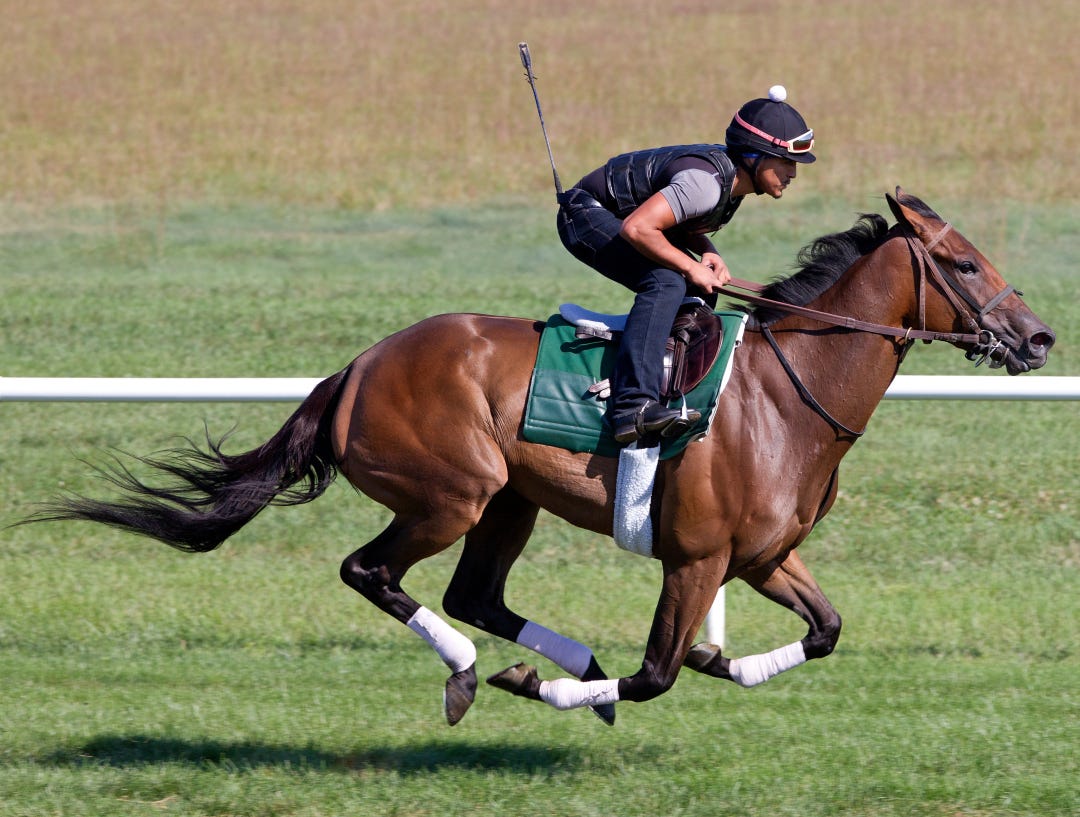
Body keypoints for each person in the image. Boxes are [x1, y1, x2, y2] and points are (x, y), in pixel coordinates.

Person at [557, 85, 816, 444]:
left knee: (696, 285)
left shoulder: (730, 183)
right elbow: (637, 228)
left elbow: (678, 220)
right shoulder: (706, 185)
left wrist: (708, 251)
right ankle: (632, 406)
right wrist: (691, 266)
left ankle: (670, 385)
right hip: (585, 215)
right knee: (666, 282)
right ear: (754, 157)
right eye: (787, 161)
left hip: (623, 217)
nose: (793, 173)